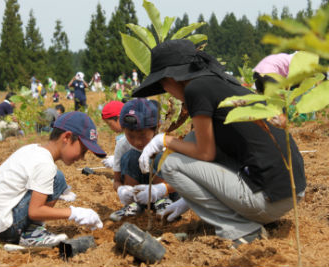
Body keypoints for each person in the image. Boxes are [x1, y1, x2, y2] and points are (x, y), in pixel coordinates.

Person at [132, 39, 306, 248]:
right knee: (191, 140)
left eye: (163, 85)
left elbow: (205, 154)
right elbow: (225, 147)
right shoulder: (220, 81)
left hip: (266, 202)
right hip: (290, 193)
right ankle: (244, 217)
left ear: (171, 78)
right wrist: (187, 200)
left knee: (169, 162)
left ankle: (242, 229)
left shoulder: (195, 89)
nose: (167, 91)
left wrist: (163, 140)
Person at [0, 111, 106, 248]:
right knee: (57, 179)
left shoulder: (33, 149)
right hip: (7, 227)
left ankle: (31, 231)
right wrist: (74, 213)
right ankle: (32, 234)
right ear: (67, 137)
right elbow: (35, 211)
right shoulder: (45, 164)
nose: (81, 157)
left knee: (57, 179)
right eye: (82, 151)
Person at [109, 98, 179, 222]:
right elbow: (116, 180)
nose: (137, 142)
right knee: (131, 156)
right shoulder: (122, 145)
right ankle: (134, 204)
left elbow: (184, 182)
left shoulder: (166, 143)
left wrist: (161, 190)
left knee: (158, 157)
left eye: (142, 136)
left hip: (168, 193)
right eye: (130, 136)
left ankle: (162, 202)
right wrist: (121, 189)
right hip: (140, 196)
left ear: (156, 127)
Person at [100, 101, 125, 168]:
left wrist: (118, 161)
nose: (110, 128)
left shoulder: (137, 133)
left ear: (119, 118)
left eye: (110, 124)